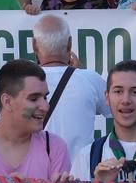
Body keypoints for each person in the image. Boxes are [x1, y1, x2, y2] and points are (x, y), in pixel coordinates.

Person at [32, 14, 110, 159]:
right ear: (69, 44)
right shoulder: (90, 79)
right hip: (80, 176)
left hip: (37, 177)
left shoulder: (22, 83)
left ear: (34, 45)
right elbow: (115, 110)